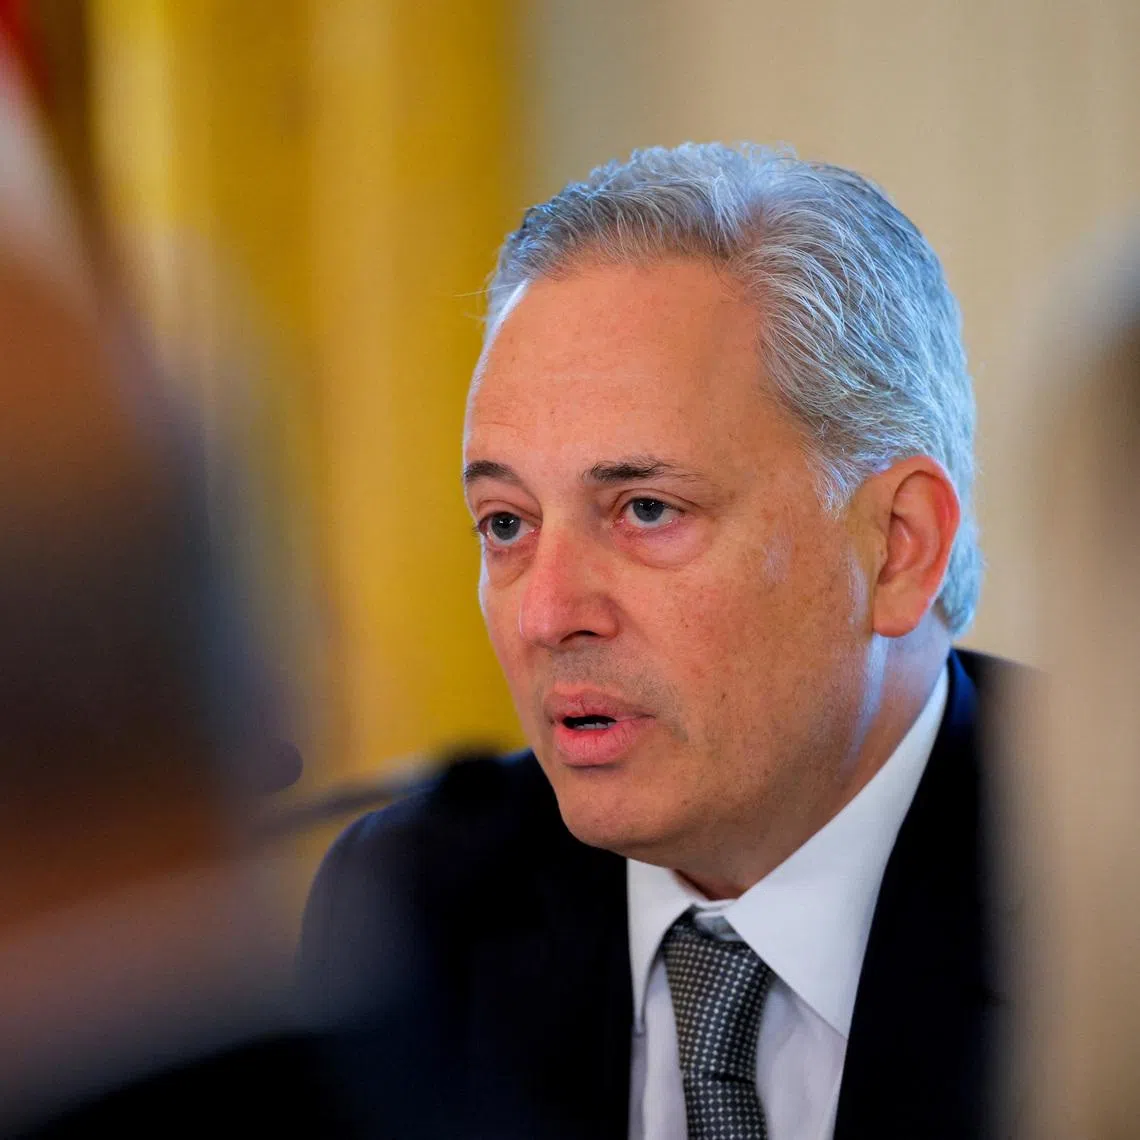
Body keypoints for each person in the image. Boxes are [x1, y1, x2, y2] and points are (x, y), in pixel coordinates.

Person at [301, 143, 1017, 1140]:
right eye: (506, 525)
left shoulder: (1101, 878)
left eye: (644, 510)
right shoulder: (415, 907)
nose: (549, 616)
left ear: (898, 548)